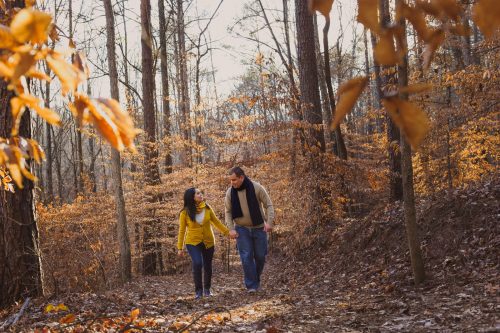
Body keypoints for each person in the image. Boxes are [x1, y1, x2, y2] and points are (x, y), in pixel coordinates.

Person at [225, 166, 275, 292]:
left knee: (260, 256)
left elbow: (268, 205)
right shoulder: (230, 193)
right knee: (246, 256)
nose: (232, 183)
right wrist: (231, 229)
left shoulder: (257, 187)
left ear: (241, 177)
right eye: (230, 180)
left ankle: (255, 279)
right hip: (241, 229)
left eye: (234, 180)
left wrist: (269, 222)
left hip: (259, 228)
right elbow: (228, 212)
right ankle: (251, 286)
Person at [177, 187, 229, 299]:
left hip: (208, 241)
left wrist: (228, 233)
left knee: (207, 265)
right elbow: (182, 230)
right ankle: (198, 291)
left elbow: (216, 223)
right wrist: (179, 247)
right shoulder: (185, 212)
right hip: (192, 242)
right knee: (197, 263)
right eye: (198, 193)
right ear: (192, 197)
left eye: (201, 193)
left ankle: (207, 290)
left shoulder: (207, 208)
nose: (201, 195)